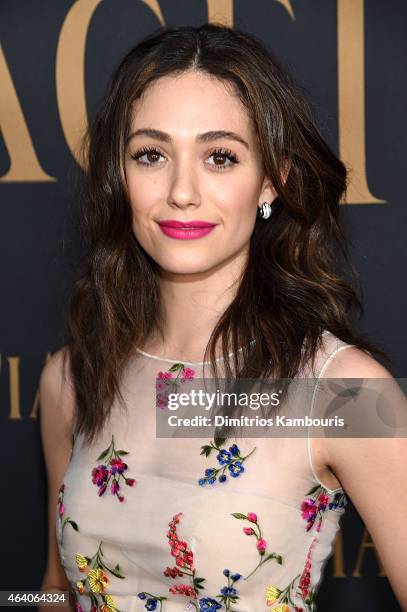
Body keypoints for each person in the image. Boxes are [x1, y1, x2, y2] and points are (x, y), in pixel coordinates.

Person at [39, 23, 407, 612]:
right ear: (119, 174)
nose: (182, 191)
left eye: (220, 157)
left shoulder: (340, 391)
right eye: (152, 154)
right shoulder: (72, 379)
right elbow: (55, 593)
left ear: (271, 181)